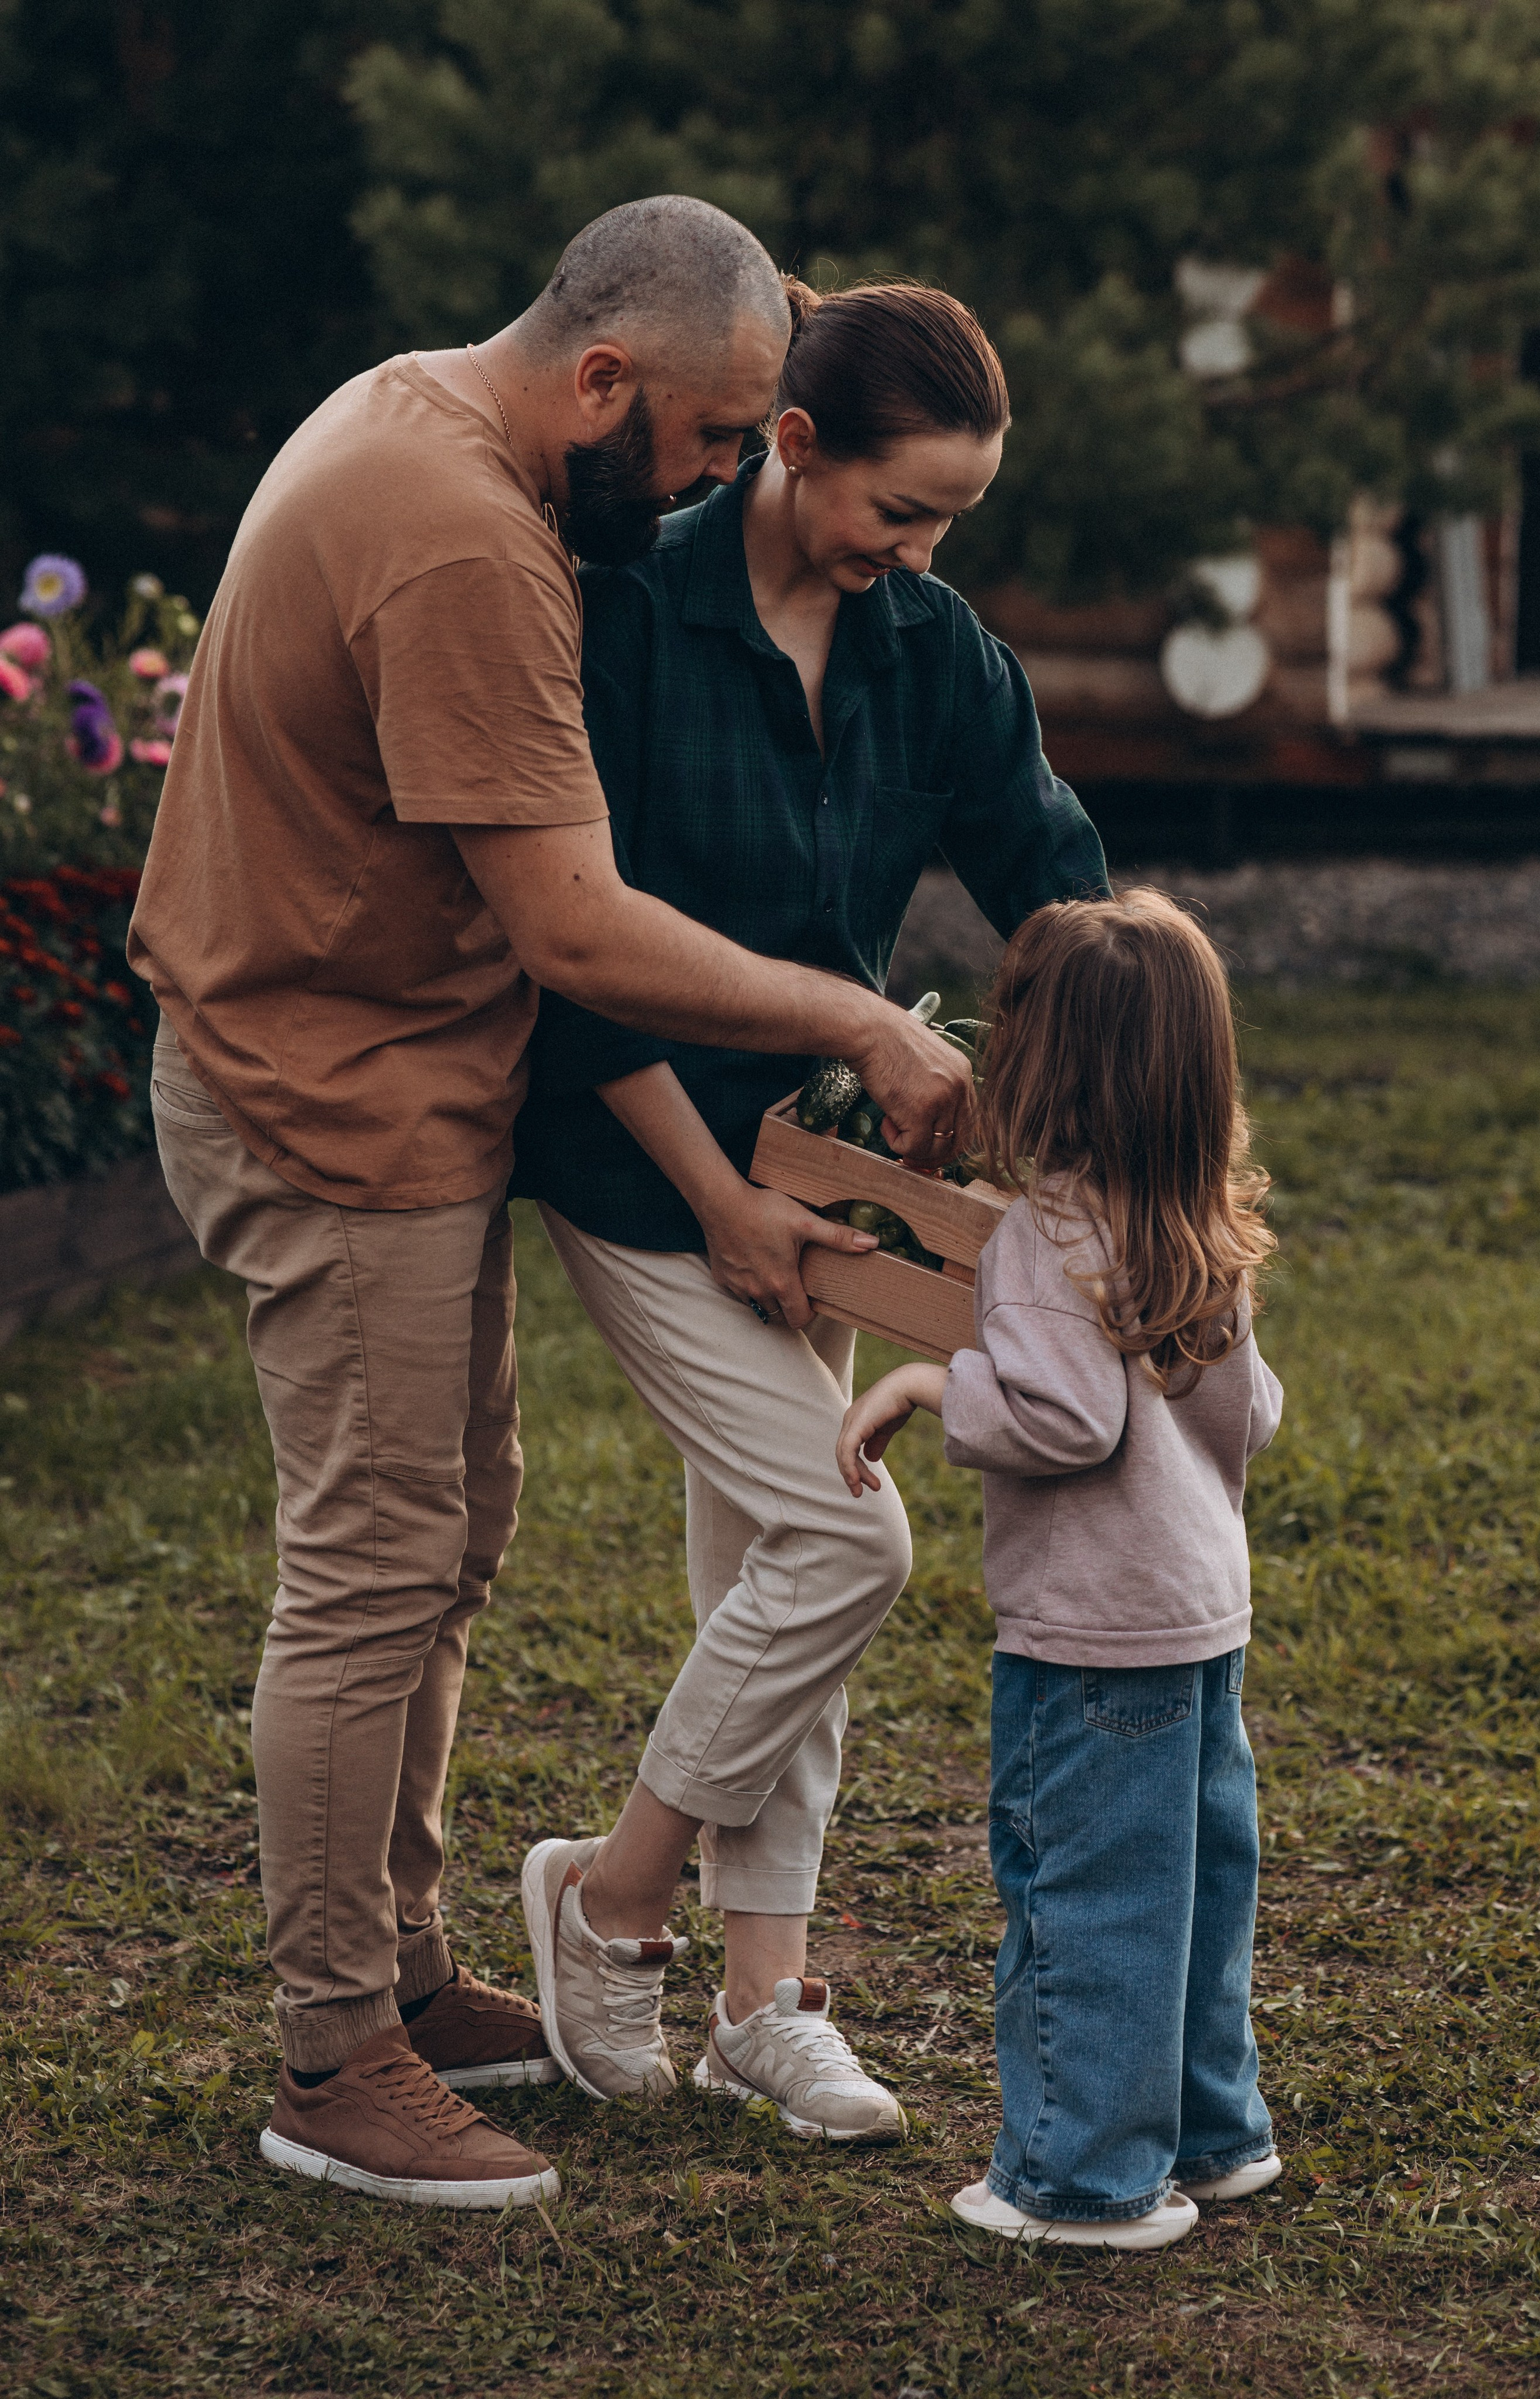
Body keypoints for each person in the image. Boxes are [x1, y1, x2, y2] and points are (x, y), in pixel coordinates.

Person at [128, 197, 970, 2212]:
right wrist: (863, 1010)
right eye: (700, 438)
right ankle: (335, 2055)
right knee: (371, 1566)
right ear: (604, 381)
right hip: (325, 1101)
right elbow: (576, 929)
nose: (706, 481)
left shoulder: (415, 416)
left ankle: (410, 1969)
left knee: (448, 1535)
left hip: (394, 1091)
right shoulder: (466, 540)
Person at [513, 278, 1109, 2142]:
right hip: (636, 1163)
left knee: (770, 1576)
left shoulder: (935, 653)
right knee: (846, 1549)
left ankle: (765, 2002)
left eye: (948, 525)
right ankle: (605, 1902)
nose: (917, 556)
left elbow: (1053, 884)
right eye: (899, 512)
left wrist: (1124, 1067)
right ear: (789, 447)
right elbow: (574, 964)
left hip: (823, 1176)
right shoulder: (618, 610)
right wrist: (719, 1205)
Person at [837, 890, 1284, 2247]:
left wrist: (928, 1380)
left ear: (1037, 1062)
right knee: (1195, 1889)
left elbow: (1063, 1421)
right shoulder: (1194, 1219)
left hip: (1089, 1642)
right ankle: (1213, 2135)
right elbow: (1247, 1414)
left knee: (1081, 1897)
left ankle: (1081, 2179)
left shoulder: (1043, 1237)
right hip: (1200, 1618)